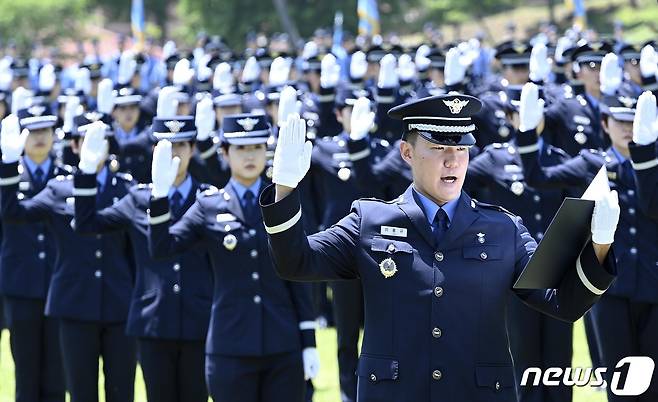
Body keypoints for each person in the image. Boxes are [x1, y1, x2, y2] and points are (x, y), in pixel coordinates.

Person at [259, 94, 619, 401]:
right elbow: (297, 262)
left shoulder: (503, 228)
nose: (453, 160)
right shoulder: (368, 220)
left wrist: (599, 246)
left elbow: (562, 302)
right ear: (406, 152)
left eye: (461, 149)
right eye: (437, 147)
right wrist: (286, 192)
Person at [145, 112, 320, 402]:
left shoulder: (284, 201)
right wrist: (159, 197)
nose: (249, 156)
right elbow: (162, 248)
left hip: (282, 342)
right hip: (230, 346)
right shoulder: (208, 206)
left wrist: (308, 341)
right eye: (240, 148)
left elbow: (299, 272)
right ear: (224, 152)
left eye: (256, 147)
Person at [71, 114, 213, 402]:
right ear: (153, 151)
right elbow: (87, 224)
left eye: (181, 146)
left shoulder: (207, 199)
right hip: (154, 319)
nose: (174, 154)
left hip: (200, 317)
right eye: (165, 147)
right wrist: (86, 171)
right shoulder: (138, 198)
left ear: (193, 149)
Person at [0, 113, 137, 402]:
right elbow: (14, 214)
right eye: (87, 140)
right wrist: (10, 164)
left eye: (102, 141)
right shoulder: (60, 188)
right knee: (79, 391)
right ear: (74, 146)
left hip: (119, 302)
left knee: (121, 390)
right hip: (74, 303)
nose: (95, 147)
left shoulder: (127, 188)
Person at [0, 106, 66, 402]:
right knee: (25, 376)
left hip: (59, 285)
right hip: (20, 285)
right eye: (33, 131)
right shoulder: (7, 176)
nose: (40, 137)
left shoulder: (67, 176)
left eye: (45, 130)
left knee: (57, 376)